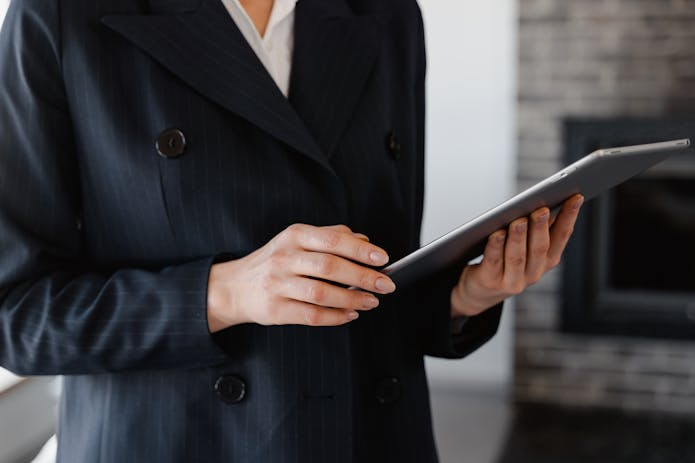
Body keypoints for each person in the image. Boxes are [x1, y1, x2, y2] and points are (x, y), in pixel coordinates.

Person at [0, 0, 582, 461]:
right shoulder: (60, 13)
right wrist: (225, 292)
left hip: (370, 437)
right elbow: (16, 317)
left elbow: (381, 273)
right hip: (178, 444)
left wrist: (465, 296)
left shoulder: (387, 15)